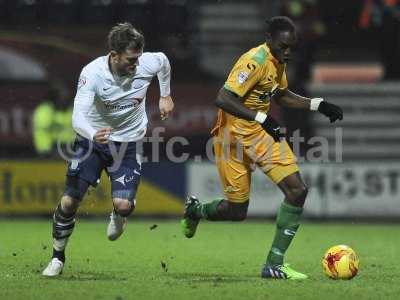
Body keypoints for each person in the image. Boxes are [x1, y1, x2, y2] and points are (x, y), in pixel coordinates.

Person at [181, 16, 342, 280]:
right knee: (237, 212)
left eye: (292, 47)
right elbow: (223, 98)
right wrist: (262, 118)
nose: (287, 53)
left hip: (262, 137)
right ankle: (196, 211)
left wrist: (318, 104)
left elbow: (281, 95)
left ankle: (274, 264)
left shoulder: (277, 61)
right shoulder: (253, 61)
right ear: (269, 40)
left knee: (297, 190)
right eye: (283, 47)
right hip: (232, 138)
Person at [42, 22, 174, 277]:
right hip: (92, 139)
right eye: (130, 60)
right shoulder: (92, 73)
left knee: (124, 205)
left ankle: (119, 214)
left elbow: (164, 61)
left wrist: (165, 95)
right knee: (69, 201)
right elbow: (77, 116)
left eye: (138, 58)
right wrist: (93, 134)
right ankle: (57, 257)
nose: (136, 65)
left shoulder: (148, 62)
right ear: (113, 55)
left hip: (129, 142)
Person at [33, 81, 74, 157]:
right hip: (50, 151)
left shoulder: (72, 109)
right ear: (54, 97)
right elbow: (42, 131)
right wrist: (46, 151)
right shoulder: (45, 110)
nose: (65, 97)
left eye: (66, 95)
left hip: (72, 150)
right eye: (61, 95)